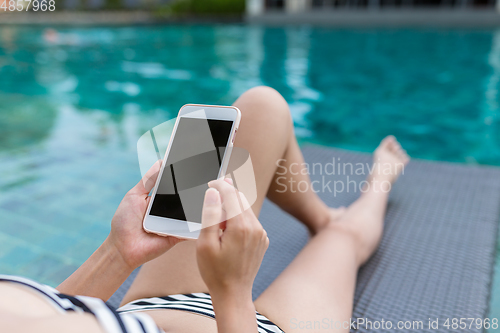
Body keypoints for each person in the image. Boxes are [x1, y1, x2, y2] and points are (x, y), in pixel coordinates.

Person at [0, 86, 409, 333]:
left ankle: (320, 215)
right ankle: (379, 182)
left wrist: (117, 253)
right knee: (344, 241)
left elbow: (45, 317)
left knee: (262, 106)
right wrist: (232, 295)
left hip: (155, 305)